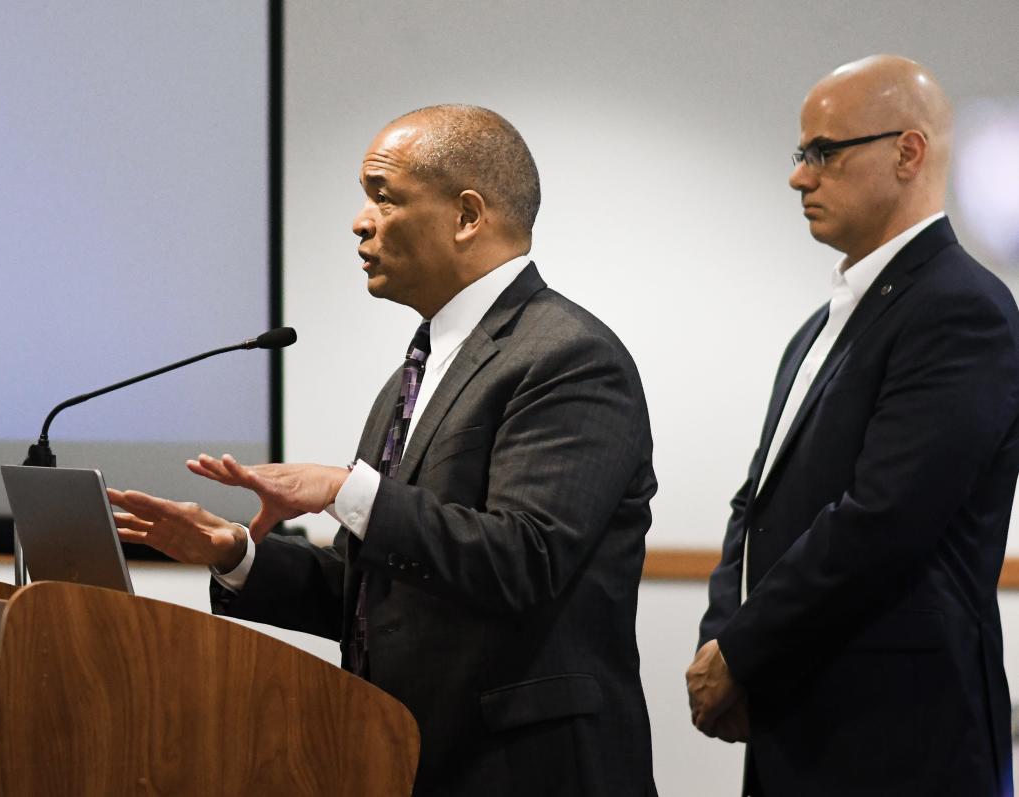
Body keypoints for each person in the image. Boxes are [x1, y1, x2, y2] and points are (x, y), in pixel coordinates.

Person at [108, 104, 658, 796]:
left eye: (382, 195)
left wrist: (345, 490)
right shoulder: (415, 372)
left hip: (523, 768)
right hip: (402, 755)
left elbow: (525, 557)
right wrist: (234, 553)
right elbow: (377, 590)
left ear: (466, 215)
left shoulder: (569, 356)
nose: (359, 220)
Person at [687, 55, 1019, 796]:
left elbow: (885, 518)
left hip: (900, 738)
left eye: (823, 152)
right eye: (800, 154)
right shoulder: (820, 326)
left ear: (908, 151)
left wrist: (741, 648)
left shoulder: (961, 308)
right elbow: (757, 503)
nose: (799, 176)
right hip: (799, 717)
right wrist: (722, 637)